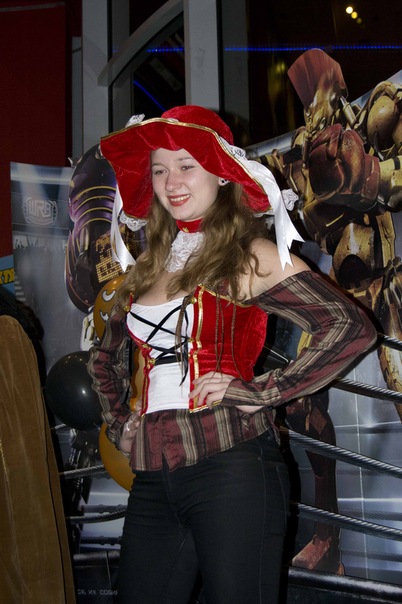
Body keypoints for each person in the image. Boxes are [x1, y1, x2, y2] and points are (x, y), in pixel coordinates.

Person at [88, 105, 377, 604]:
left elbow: (349, 326)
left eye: (186, 165)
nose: (172, 182)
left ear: (221, 173)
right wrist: (120, 424)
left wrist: (264, 391)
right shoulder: (145, 269)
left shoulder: (249, 254)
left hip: (230, 467)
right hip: (153, 477)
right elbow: (103, 358)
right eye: (159, 170)